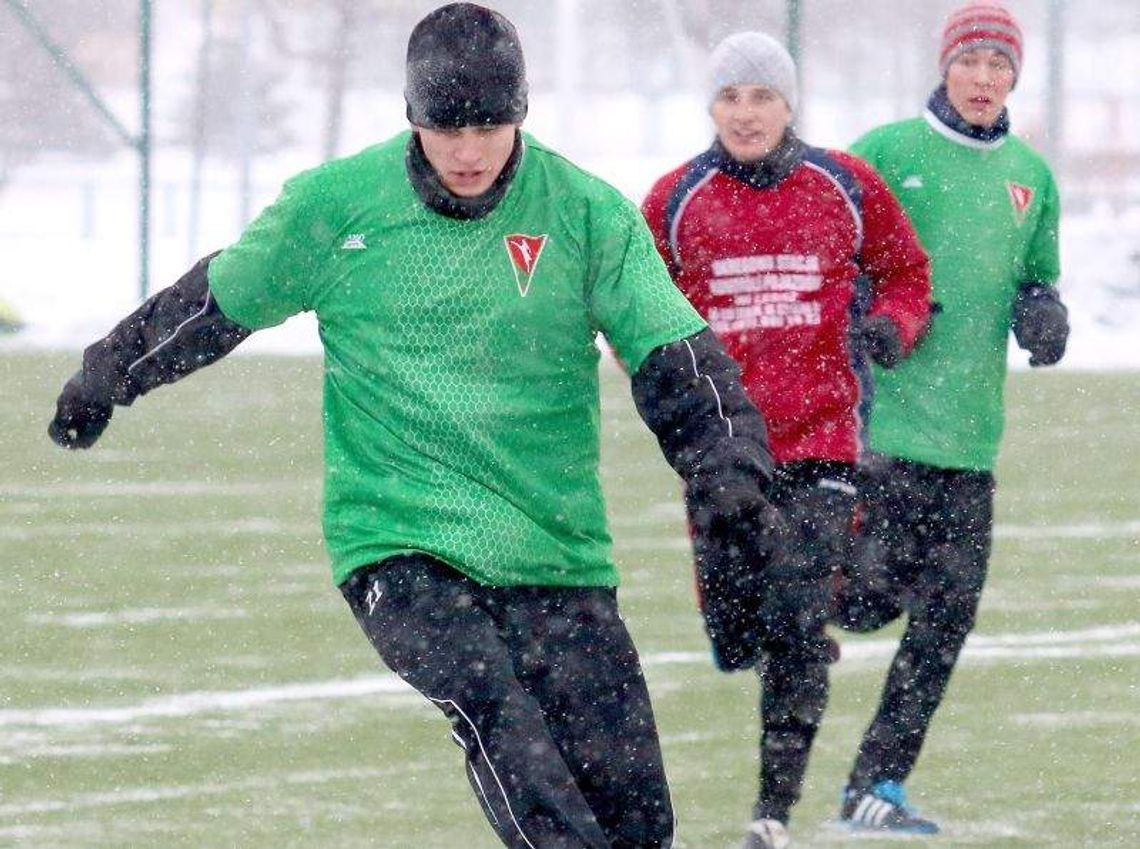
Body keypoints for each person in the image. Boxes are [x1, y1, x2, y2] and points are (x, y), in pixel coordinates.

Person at [46, 5, 784, 848]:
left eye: (489, 126)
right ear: (411, 117)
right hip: (399, 545)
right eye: (446, 128)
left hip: (555, 549)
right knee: (500, 719)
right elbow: (220, 300)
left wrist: (728, 465)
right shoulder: (335, 208)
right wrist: (109, 372)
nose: (469, 151)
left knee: (637, 818)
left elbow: (674, 356)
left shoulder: (586, 213)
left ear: (521, 114)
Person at [642, 31, 932, 849]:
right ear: (711, 105)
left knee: (798, 618)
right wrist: (663, 384)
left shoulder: (844, 185)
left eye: (762, 96)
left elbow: (908, 273)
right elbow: (633, 309)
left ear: (789, 104)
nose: (746, 113)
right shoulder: (673, 201)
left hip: (823, 441)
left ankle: (772, 813)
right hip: (724, 448)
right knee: (740, 635)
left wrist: (889, 325)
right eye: (731, 96)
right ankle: (783, 628)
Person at [830, 2, 1070, 834]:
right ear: (945, 66)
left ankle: (876, 784)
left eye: (999, 65)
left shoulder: (1031, 178)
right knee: (867, 602)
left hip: (971, 440)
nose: (983, 78)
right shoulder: (887, 153)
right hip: (884, 433)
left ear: (1015, 76)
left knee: (945, 620)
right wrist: (862, 308)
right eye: (970, 61)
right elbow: (830, 240)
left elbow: (1036, 276)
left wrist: (1043, 312)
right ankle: (775, 585)